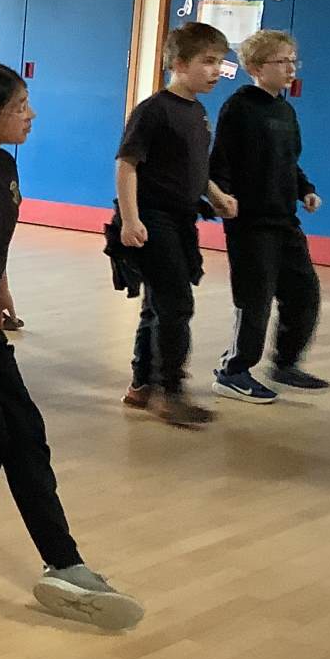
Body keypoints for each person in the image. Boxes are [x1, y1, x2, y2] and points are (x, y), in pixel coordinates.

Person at [0, 62, 144, 629]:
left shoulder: (4, 164)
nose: (31, 115)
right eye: (19, 107)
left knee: (14, 436)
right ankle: (37, 556)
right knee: (0, 437)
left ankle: (50, 560)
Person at [115, 21, 237, 428]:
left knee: (157, 305)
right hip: (153, 218)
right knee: (175, 304)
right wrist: (130, 219)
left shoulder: (198, 112)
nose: (216, 71)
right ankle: (170, 391)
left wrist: (215, 195)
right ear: (179, 64)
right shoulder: (154, 110)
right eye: (208, 62)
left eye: (220, 62)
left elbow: (194, 167)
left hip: (181, 219)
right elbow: (127, 164)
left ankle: (142, 385)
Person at [208, 29, 330, 405]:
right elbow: (221, 158)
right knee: (255, 299)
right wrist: (222, 196)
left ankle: (285, 363)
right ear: (256, 67)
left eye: (294, 60)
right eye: (282, 61)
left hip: (284, 219)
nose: (291, 68)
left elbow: (289, 162)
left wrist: (305, 189)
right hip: (250, 222)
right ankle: (233, 371)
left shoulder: (286, 111)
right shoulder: (240, 107)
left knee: (304, 292)